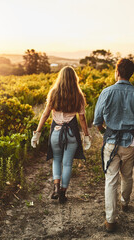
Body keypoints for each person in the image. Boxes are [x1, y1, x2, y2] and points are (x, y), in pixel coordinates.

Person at [93, 58, 134, 232]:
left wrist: (105, 132)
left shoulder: (106, 92)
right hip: (130, 143)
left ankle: (110, 220)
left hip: (110, 142)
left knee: (111, 180)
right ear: (131, 74)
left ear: (117, 71)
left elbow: (97, 120)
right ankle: (125, 203)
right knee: (127, 176)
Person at [31, 66, 91, 204]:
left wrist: (37, 133)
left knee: (56, 160)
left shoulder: (53, 93)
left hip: (56, 133)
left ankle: (56, 188)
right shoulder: (79, 95)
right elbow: (82, 118)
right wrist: (86, 135)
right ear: (74, 78)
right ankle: (63, 192)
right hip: (71, 133)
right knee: (68, 163)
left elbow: (45, 114)